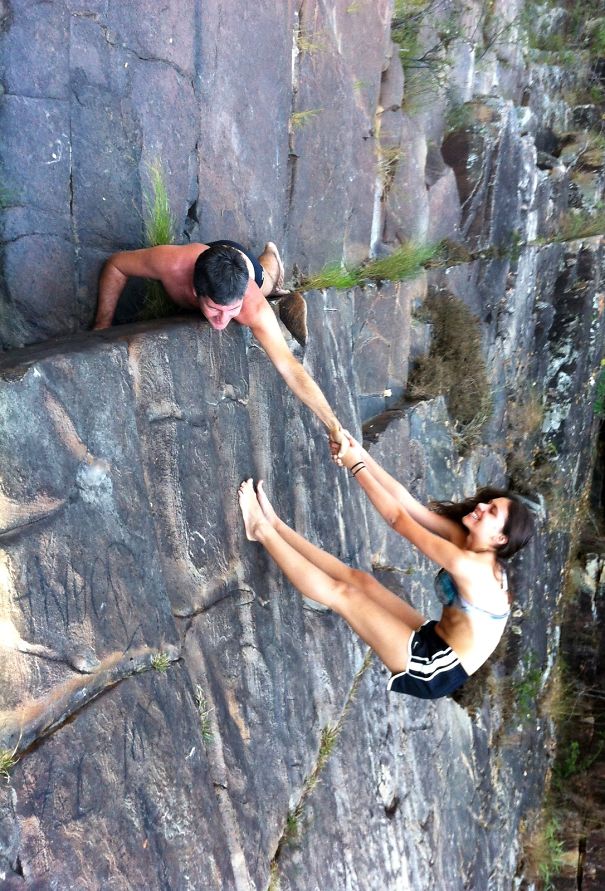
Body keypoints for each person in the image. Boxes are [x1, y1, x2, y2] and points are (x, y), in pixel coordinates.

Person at [237, 433, 534, 700]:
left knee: (344, 595)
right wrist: (358, 452)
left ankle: (260, 530)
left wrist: (356, 467)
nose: (480, 507)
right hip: (437, 637)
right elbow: (407, 504)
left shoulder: (469, 565)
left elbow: (398, 520)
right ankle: (276, 525)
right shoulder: (471, 543)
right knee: (359, 581)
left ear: (500, 538)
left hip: (433, 670)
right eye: (488, 503)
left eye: (491, 511)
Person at [93, 239, 348, 455]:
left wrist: (333, 424)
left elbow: (290, 367)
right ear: (194, 291)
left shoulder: (252, 305)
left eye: (231, 311)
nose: (222, 322)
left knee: (266, 281)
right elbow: (117, 265)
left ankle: (271, 255)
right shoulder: (172, 264)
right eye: (215, 310)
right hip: (211, 260)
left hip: (244, 269)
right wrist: (102, 326)